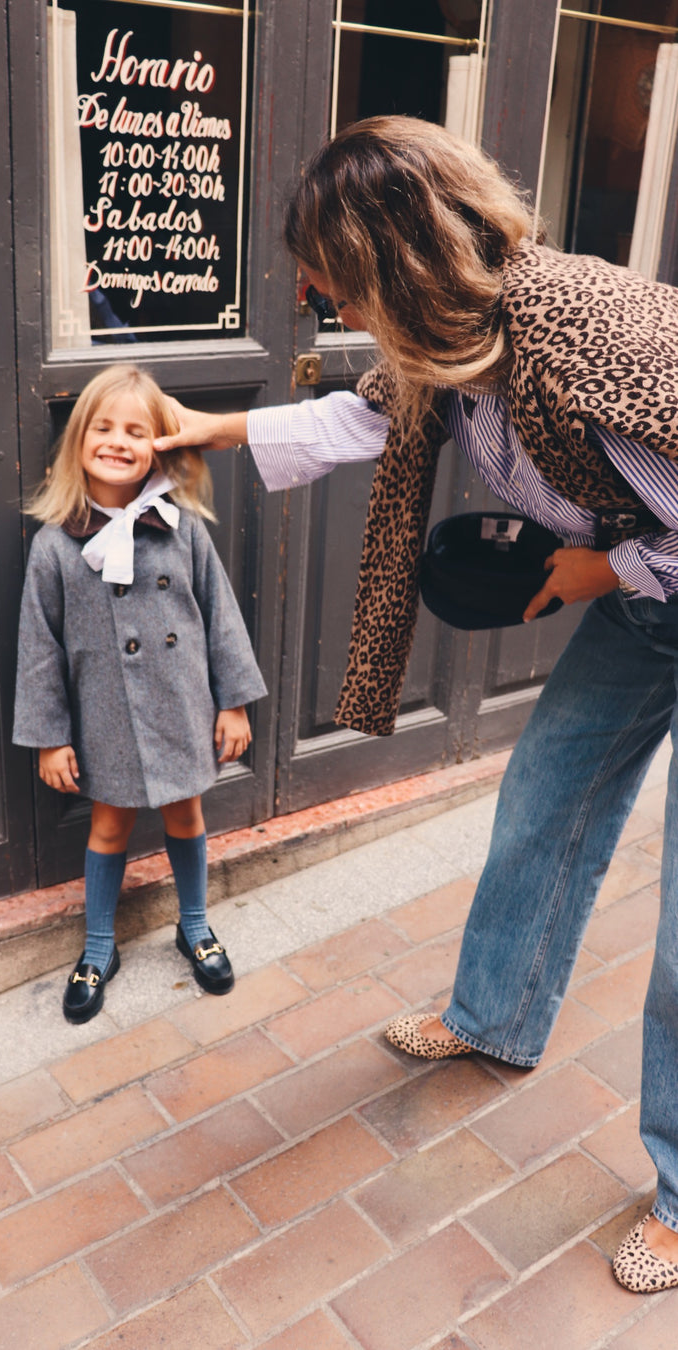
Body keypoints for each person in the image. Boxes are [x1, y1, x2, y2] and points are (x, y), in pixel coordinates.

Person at [152, 116, 678, 1293]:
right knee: (545, 801)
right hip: (657, 595)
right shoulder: (454, 343)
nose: (307, 290)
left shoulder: (591, 328)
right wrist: (205, 429)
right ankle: (496, 1017)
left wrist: (608, 567)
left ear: (394, 257)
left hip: (648, 574)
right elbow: (360, 417)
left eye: (325, 270)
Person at [14, 365, 266, 1023]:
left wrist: (233, 701)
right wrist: (50, 737)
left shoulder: (181, 528)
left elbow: (221, 615)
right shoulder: (55, 546)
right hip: (106, 715)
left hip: (182, 706)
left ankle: (195, 925)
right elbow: (38, 649)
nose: (119, 441)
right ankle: (100, 946)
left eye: (136, 430)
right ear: (79, 441)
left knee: (186, 815)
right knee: (109, 824)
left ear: (161, 443)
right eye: (104, 428)